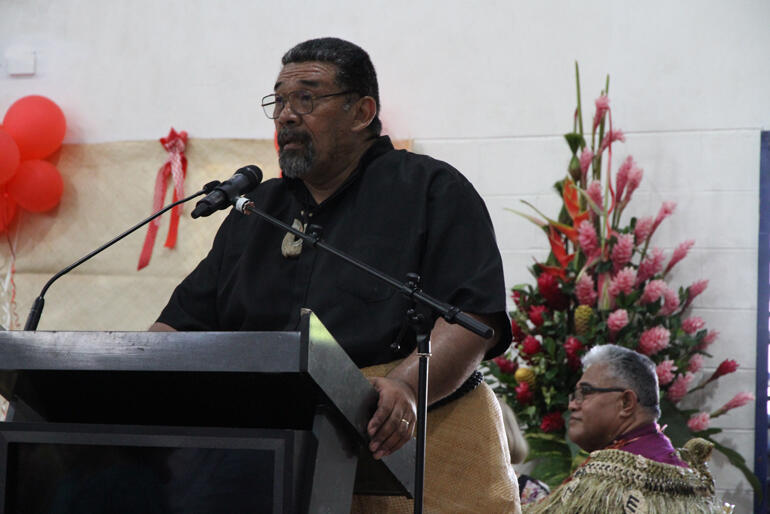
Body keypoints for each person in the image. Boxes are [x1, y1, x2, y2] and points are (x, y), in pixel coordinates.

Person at [152, 37, 520, 512]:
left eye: (306, 98)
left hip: (413, 443)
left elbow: (473, 316)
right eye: (279, 101)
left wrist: (408, 386)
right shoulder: (257, 210)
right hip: (272, 460)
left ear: (361, 111)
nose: (287, 115)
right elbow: (178, 328)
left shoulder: (430, 189)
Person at [524, 344, 721, 513]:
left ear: (626, 402)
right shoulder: (680, 469)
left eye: (585, 392)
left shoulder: (604, 480)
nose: (572, 405)